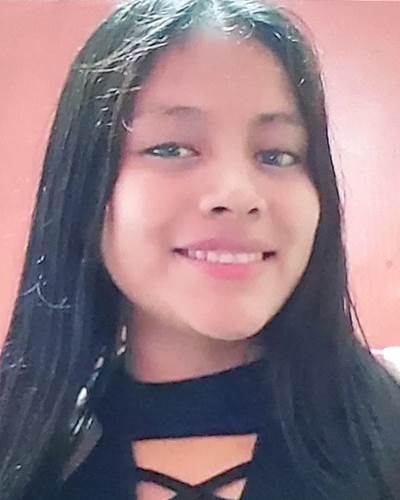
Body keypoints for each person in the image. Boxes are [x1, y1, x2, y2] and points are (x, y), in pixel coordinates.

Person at [2, 0, 399, 499]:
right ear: (84, 185)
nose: (237, 194)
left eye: (277, 155)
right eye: (171, 149)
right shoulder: (26, 453)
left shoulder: (385, 425)